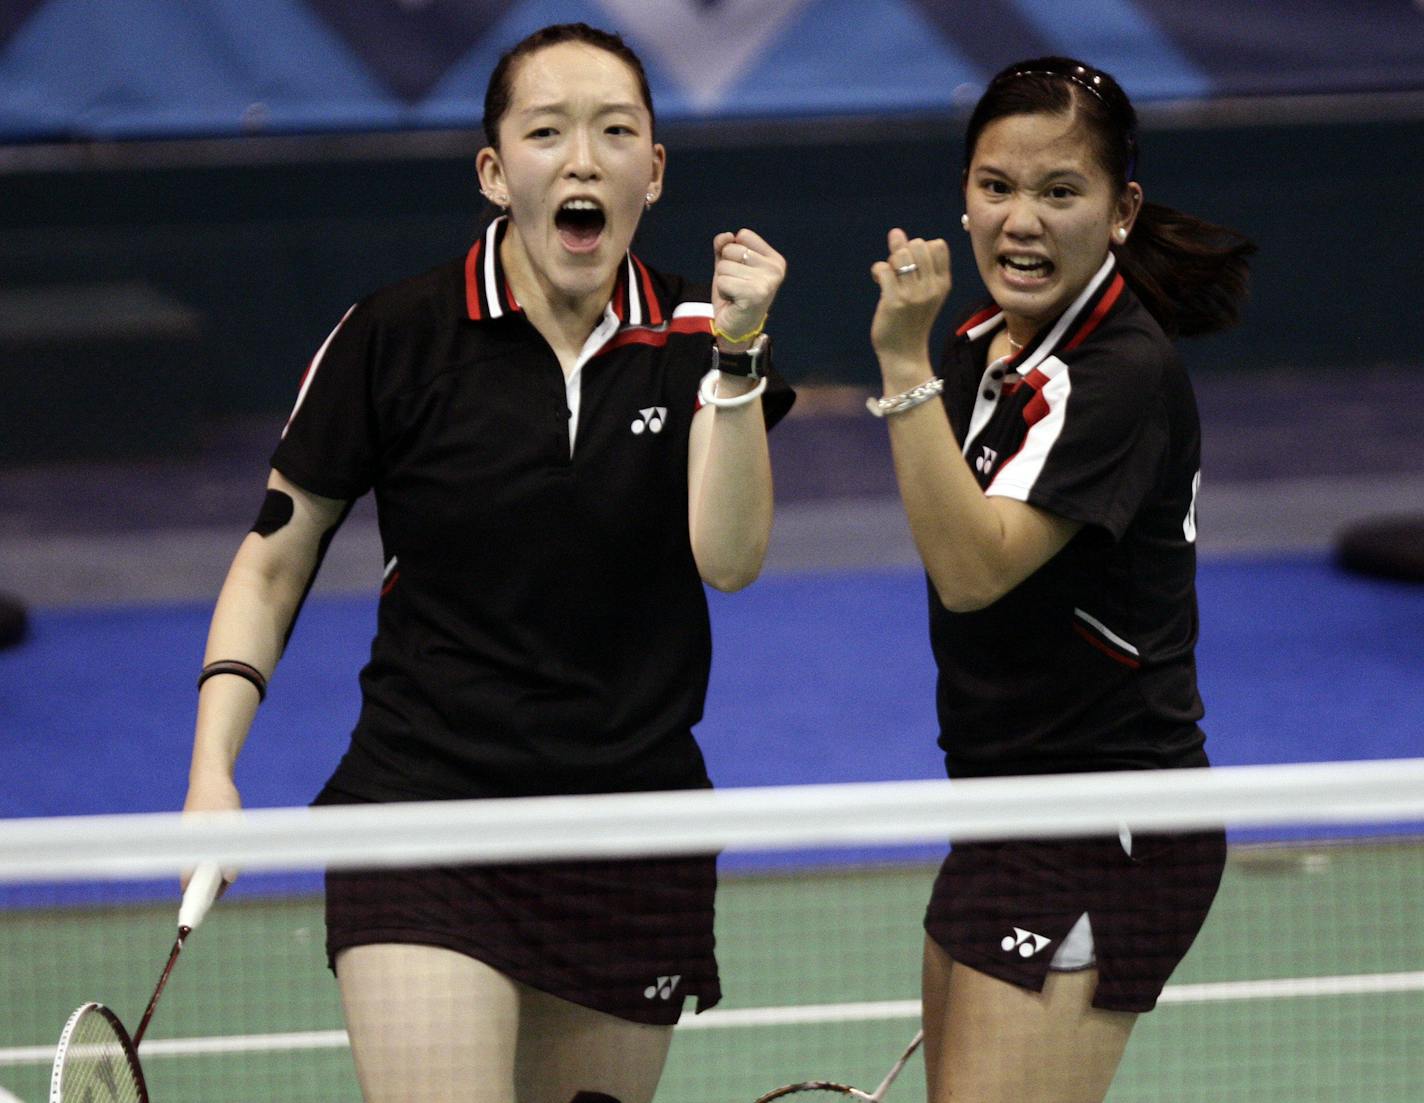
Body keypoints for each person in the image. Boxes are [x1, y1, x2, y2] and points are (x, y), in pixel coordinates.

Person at [181, 22, 793, 1103]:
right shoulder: (394, 336)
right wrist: (212, 771)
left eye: (615, 133)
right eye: (546, 131)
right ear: (493, 170)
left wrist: (739, 354)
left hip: (629, 822)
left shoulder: (702, 339)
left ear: (652, 170)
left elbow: (729, 558)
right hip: (426, 812)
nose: (582, 159)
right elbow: (272, 561)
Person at [865, 58, 1253, 1103]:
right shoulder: (981, 352)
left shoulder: (1117, 372)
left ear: (1119, 208)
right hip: (998, 808)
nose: (1018, 222)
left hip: (1105, 820)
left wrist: (899, 368)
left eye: (1057, 192)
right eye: (995, 188)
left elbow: (970, 569)